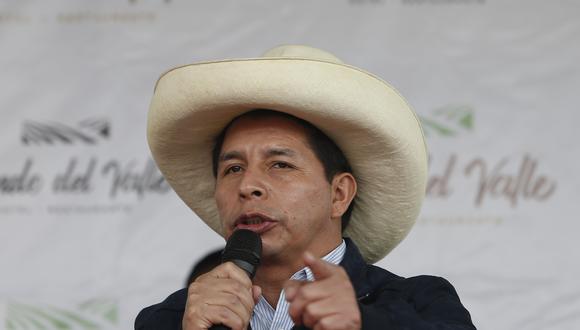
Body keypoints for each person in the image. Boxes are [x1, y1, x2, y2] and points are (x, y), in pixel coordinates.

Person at [136, 45, 476, 330]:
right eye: (233, 168)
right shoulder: (169, 319)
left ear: (339, 194)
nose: (248, 185)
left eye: (280, 165)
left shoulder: (422, 305)